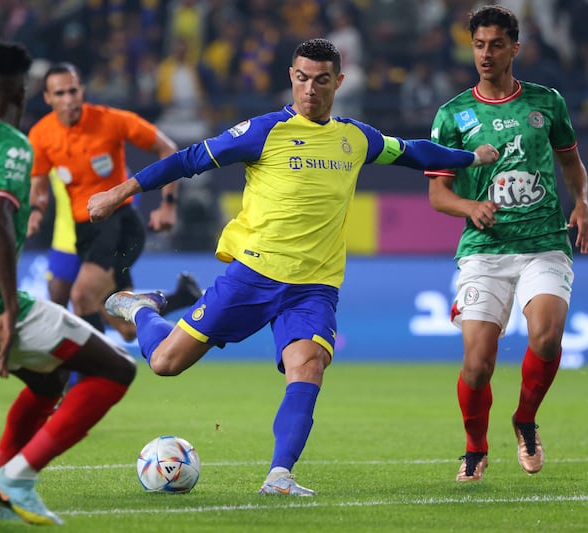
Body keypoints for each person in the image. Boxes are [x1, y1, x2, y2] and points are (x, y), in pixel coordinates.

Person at [88, 38, 499, 496]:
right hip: (254, 276)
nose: (310, 89)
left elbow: (414, 152)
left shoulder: (356, 138)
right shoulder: (263, 131)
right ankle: (143, 308)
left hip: (314, 286)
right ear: (291, 77)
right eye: (302, 78)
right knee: (165, 363)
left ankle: (279, 475)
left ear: (338, 82)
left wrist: (470, 157)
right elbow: (188, 161)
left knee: (308, 367)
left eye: (322, 80)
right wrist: (118, 193)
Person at [0, 40, 138, 524]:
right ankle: (15, 478)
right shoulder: (13, 145)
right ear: (21, 92)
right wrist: (10, 306)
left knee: (48, 382)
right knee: (117, 369)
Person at [424, 5, 588, 482]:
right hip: (484, 250)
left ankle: (525, 419)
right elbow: (439, 193)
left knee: (547, 333)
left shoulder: (547, 102)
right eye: (479, 45)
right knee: (477, 365)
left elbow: (572, 165)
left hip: (543, 240)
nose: (486, 53)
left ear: (514, 49)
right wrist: (470, 207)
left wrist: (581, 204)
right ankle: (475, 448)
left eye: (496, 44)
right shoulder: (453, 114)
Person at [25, 62, 201, 344]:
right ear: (47, 97)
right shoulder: (41, 134)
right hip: (85, 234)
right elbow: (39, 184)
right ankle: (183, 297)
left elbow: (167, 148)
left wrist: (168, 203)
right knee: (127, 329)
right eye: (60, 94)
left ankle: (97, 376)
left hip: (119, 226)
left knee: (82, 295)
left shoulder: (110, 121)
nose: (68, 99)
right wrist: (36, 210)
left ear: (82, 90)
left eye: (73, 91)